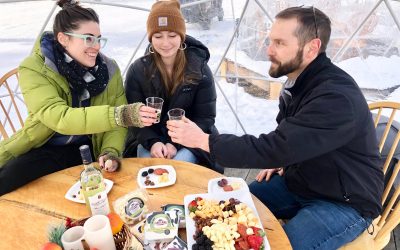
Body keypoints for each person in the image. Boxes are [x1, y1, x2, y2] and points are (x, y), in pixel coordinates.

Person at [167, 6, 384, 249]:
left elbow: (277, 146)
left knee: (279, 245)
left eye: (279, 43)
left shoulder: (335, 97)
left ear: (312, 48)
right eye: (270, 41)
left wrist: (204, 140)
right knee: (232, 208)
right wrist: (283, 160)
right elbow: (291, 136)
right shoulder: (297, 81)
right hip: (301, 180)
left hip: (344, 202)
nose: (268, 50)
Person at [0, 0, 158, 196]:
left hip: (90, 148)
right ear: (63, 38)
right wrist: (120, 115)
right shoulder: (35, 68)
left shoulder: (108, 69)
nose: (97, 46)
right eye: (88, 38)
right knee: (10, 178)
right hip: (48, 146)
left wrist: (110, 152)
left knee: (111, 190)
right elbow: (60, 117)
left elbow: (117, 124)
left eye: (99, 39)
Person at [124, 0, 218, 169]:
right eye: (158, 36)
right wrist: (153, 142)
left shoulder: (200, 69)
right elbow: (134, 118)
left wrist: (177, 143)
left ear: (181, 36)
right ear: (150, 38)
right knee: (151, 169)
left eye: (172, 35)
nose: (165, 43)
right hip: (148, 138)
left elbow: (205, 118)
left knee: (180, 165)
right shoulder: (137, 70)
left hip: (189, 138)